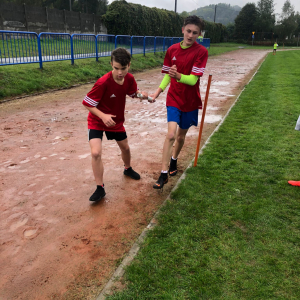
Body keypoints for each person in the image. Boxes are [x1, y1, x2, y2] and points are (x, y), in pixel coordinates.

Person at [82, 47, 152, 202]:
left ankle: (127, 169)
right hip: (97, 120)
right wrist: (103, 116)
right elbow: (87, 103)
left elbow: (133, 93)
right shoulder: (103, 82)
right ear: (111, 65)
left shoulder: (130, 79)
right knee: (95, 153)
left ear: (129, 65)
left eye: (123, 68)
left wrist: (144, 96)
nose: (120, 72)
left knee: (125, 148)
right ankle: (100, 188)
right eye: (116, 68)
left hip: (115, 121)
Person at [150, 15, 208, 189]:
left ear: (199, 34)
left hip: (189, 101)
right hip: (173, 98)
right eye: (188, 31)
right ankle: (163, 174)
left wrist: (178, 76)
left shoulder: (201, 52)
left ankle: (174, 160)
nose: (190, 35)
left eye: (195, 33)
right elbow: (169, 75)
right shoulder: (172, 50)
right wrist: (158, 91)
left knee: (181, 137)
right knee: (170, 135)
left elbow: (193, 81)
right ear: (183, 30)